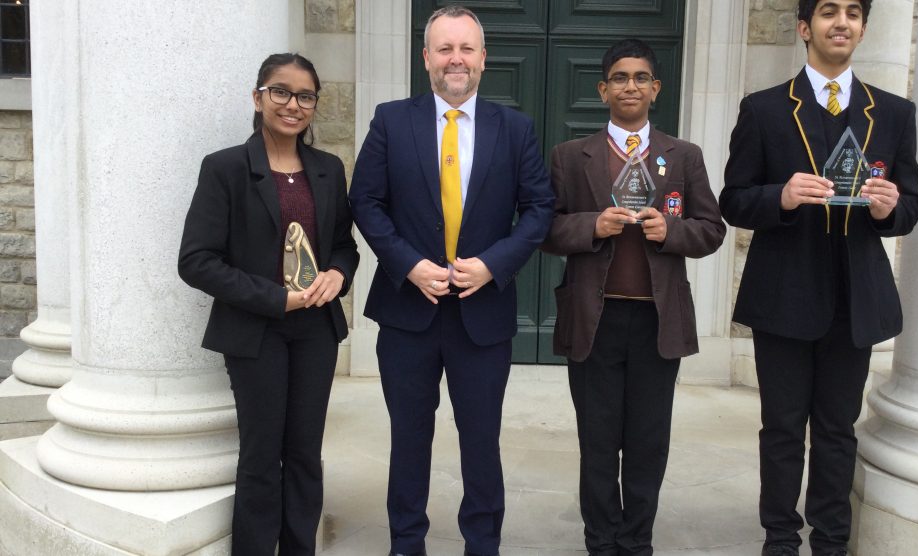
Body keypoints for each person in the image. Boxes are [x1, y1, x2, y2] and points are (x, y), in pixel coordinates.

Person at [348, 6, 554, 556]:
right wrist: (408, 264)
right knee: (408, 440)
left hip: (482, 318)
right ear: (426, 59)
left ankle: (482, 544)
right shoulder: (391, 120)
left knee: (481, 442)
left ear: (483, 59)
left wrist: (492, 264)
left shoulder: (515, 129)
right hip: (408, 313)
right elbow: (364, 201)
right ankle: (405, 543)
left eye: (466, 48)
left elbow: (539, 209)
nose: (455, 59)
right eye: (444, 48)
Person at [719, 1, 918, 555]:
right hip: (783, 295)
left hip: (855, 300)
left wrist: (889, 211)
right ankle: (780, 540)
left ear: (861, 28)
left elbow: (912, 204)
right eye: (829, 11)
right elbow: (733, 199)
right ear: (805, 28)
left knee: (838, 430)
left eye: (853, 13)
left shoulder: (895, 113)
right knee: (782, 430)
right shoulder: (763, 109)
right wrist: (780, 197)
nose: (842, 22)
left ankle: (831, 542)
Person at [541, 39, 725, 556]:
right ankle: (600, 541)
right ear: (603, 90)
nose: (630, 86)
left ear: (656, 89)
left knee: (648, 442)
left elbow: (711, 229)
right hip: (593, 320)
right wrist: (591, 225)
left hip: (656, 321)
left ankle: (637, 540)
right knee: (598, 442)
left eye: (640, 77)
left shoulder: (683, 156)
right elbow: (546, 230)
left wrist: (671, 231)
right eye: (619, 78)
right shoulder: (570, 157)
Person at [178, 53, 359, 555]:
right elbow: (196, 261)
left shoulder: (327, 169)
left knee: (305, 453)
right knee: (261, 456)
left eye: (305, 96)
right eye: (281, 92)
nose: (293, 105)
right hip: (255, 332)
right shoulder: (226, 168)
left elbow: (344, 244)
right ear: (258, 98)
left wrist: (337, 274)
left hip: (316, 331)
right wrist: (276, 299)